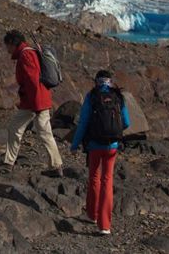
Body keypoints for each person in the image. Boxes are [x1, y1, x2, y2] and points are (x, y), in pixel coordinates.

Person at [70, 70, 130, 236]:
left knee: (94, 178)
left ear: (96, 81)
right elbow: (126, 122)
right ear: (110, 81)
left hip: (94, 144)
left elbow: (83, 123)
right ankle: (105, 225)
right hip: (112, 146)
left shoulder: (92, 96)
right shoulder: (118, 96)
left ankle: (93, 215)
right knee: (107, 181)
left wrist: (75, 144)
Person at [0, 30, 63, 175]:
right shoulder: (29, 52)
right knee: (18, 128)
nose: (7, 49)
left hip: (35, 102)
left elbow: (33, 81)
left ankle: (56, 166)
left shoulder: (26, 55)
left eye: (7, 45)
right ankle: (9, 163)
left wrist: (36, 106)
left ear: (12, 44)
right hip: (34, 101)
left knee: (42, 132)